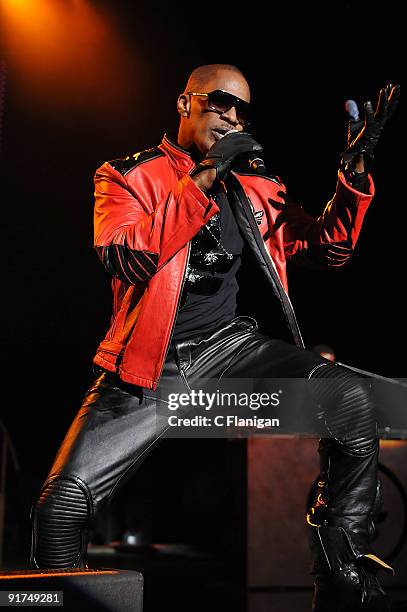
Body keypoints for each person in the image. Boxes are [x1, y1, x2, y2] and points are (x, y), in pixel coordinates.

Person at [30, 64, 399, 611]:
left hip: (229, 351)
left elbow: (328, 248)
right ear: (185, 103)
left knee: (350, 400)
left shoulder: (254, 185)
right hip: (147, 369)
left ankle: (341, 571)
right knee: (59, 510)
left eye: (242, 109)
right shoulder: (126, 176)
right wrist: (203, 175)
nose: (232, 116)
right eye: (221, 102)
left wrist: (355, 170)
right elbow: (128, 257)